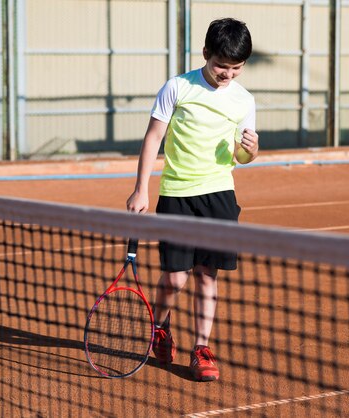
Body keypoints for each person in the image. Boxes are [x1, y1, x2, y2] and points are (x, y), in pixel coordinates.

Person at [126, 17, 258, 382]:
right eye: (221, 66)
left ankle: (201, 348)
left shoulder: (244, 100)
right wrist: (142, 188)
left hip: (219, 194)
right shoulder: (177, 87)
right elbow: (153, 138)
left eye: (235, 68)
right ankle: (161, 327)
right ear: (205, 55)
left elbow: (240, 157)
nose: (227, 74)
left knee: (206, 276)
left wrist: (252, 151)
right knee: (175, 278)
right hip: (177, 194)